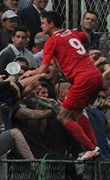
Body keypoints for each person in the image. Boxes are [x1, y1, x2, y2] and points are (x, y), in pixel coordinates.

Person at [27, 11, 101, 160]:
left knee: (63, 116)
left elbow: (42, 69)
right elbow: (84, 36)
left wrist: (27, 74)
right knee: (78, 112)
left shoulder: (51, 41)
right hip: (96, 75)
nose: (41, 26)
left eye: (43, 23)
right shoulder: (70, 32)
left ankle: (91, 148)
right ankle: (94, 147)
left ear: (51, 24)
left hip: (82, 78)